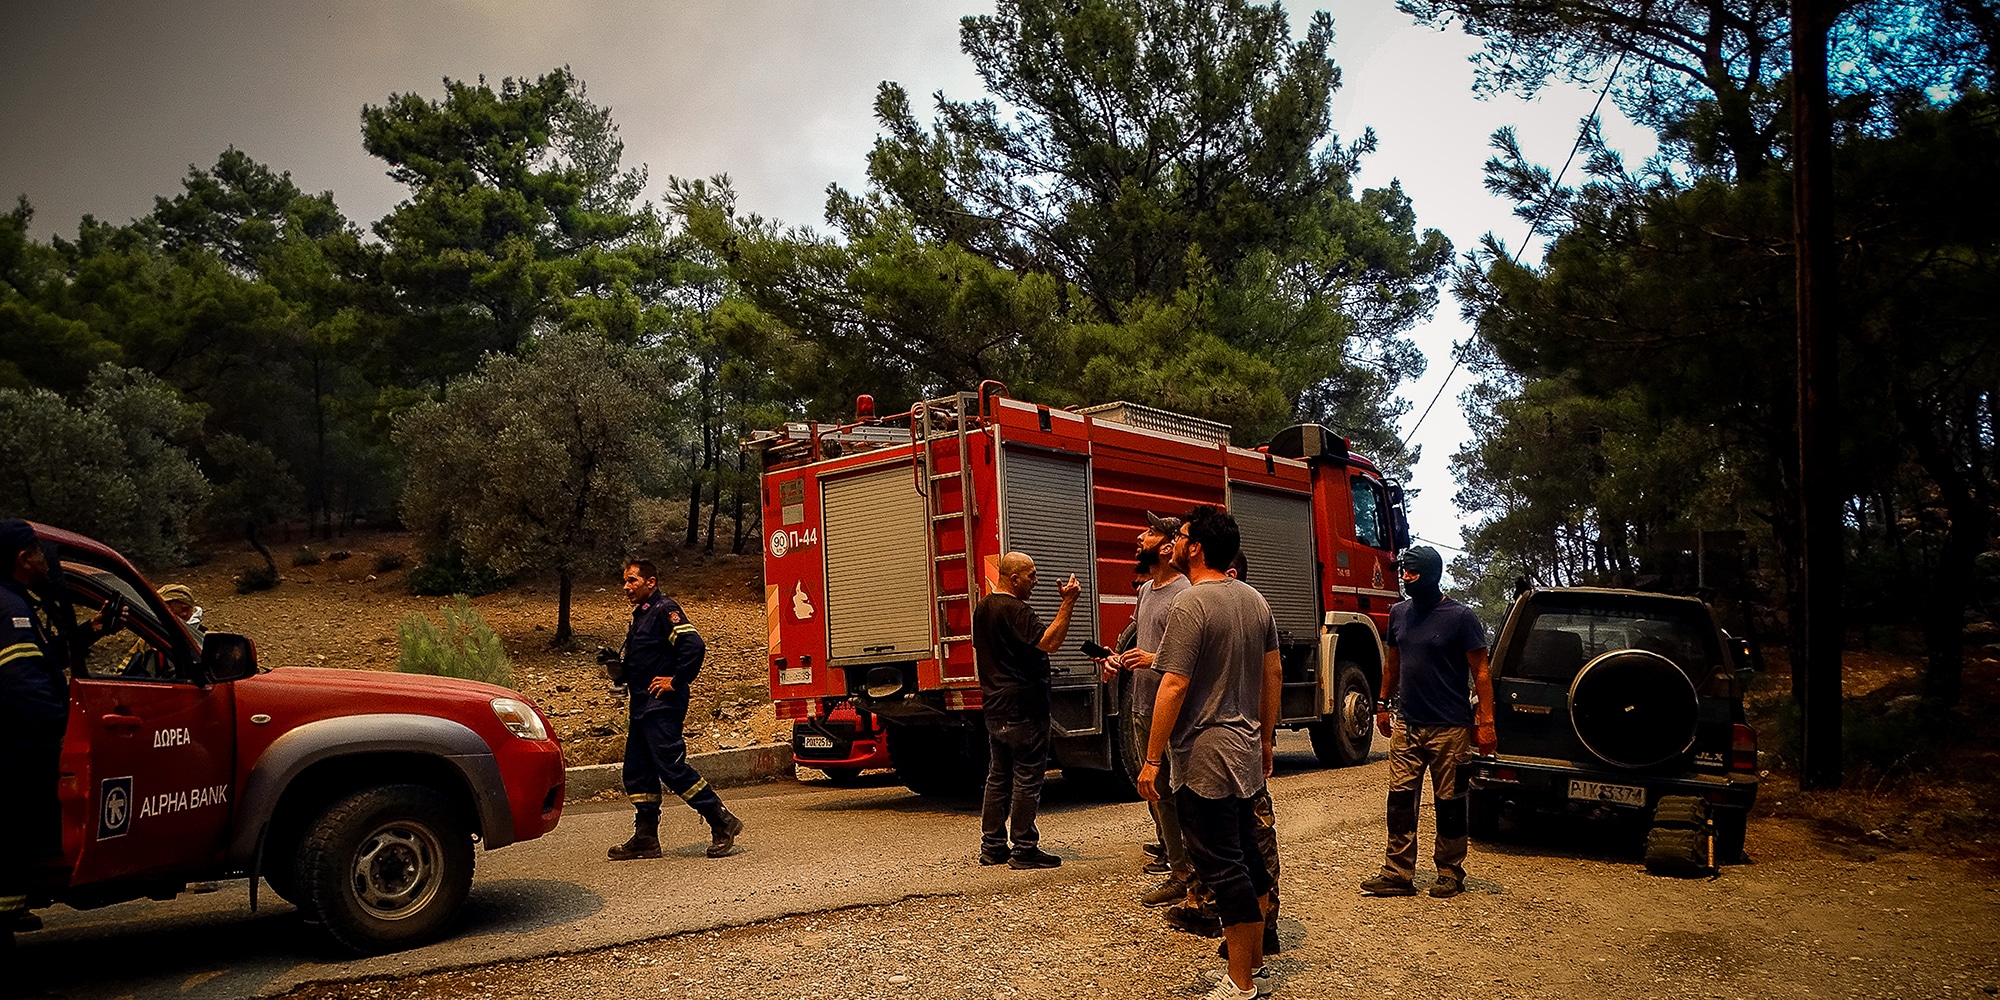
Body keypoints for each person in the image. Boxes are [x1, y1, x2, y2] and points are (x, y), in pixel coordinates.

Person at [1141, 505, 1281, 1000]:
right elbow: (1272, 675)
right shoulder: (1255, 600)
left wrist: (1152, 758)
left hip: (1204, 758)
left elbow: (1174, 684)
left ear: (1196, 547)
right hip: (1243, 752)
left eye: (1178, 536)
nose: (1170, 543)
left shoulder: (1191, 605)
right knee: (1249, 857)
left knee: (1223, 868)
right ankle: (1256, 964)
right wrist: (1265, 740)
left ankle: (1240, 983)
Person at [1360, 545, 1496, 899]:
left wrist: (1486, 721)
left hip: (1450, 728)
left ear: (1432, 573)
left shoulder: (1461, 617)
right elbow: (1393, 664)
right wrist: (1381, 705)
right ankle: (1397, 874)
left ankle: (1450, 872)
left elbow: (1480, 671)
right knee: (1400, 802)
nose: (1405, 578)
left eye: (1413, 573)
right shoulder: (1399, 614)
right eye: (1403, 572)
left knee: (1450, 803)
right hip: (1407, 725)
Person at [607, 559, 743, 861]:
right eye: (625, 581)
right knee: (637, 771)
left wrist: (676, 680)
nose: (625, 587)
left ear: (651, 582)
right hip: (641, 705)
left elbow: (693, 646)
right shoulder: (642, 616)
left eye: (632, 581)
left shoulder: (664, 610)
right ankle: (645, 838)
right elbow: (646, 660)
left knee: (671, 767)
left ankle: (722, 821)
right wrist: (619, 669)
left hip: (662, 705)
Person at [1100, 513, 1191, 904]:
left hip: (1171, 709)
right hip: (1141, 706)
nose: (1140, 536)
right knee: (1155, 793)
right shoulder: (1147, 591)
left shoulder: (1186, 593)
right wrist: (1116, 659)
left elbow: (1187, 659)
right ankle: (1176, 866)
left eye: (1151, 532)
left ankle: (1189, 874)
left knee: (1177, 793)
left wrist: (1151, 658)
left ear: (1169, 546)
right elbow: (1138, 641)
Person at [973, 551, 1081, 869]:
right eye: (1031, 575)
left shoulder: (983, 608)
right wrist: (1068, 603)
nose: (1036, 581)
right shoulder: (1016, 609)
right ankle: (1024, 847)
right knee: (1027, 778)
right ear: (1015, 578)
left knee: (998, 776)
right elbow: (1049, 642)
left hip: (995, 705)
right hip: (1024, 707)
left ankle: (992, 846)